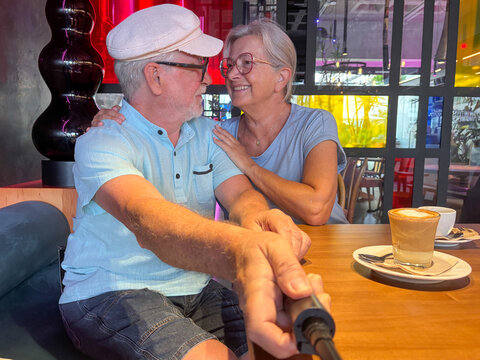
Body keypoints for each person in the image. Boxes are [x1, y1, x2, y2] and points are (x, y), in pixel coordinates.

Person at [59, 4, 329, 360]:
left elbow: (242, 195)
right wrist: (243, 251)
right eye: (198, 68)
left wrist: (259, 222)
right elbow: (150, 221)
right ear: (155, 77)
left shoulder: (206, 134)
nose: (209, 79)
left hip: (195, 287)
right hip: (113, 290)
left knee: (286, 347)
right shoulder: (103, 141)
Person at [95, 18, 348, 225]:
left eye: (247, 63)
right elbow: (161, 125)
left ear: (281, 78)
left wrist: (249, 166)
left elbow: (316, 210)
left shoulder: (315, 123)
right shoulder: (219, 133)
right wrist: (124, 118)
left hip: (328, 246)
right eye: (230, 64)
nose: (233, 74)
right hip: (259, 250)